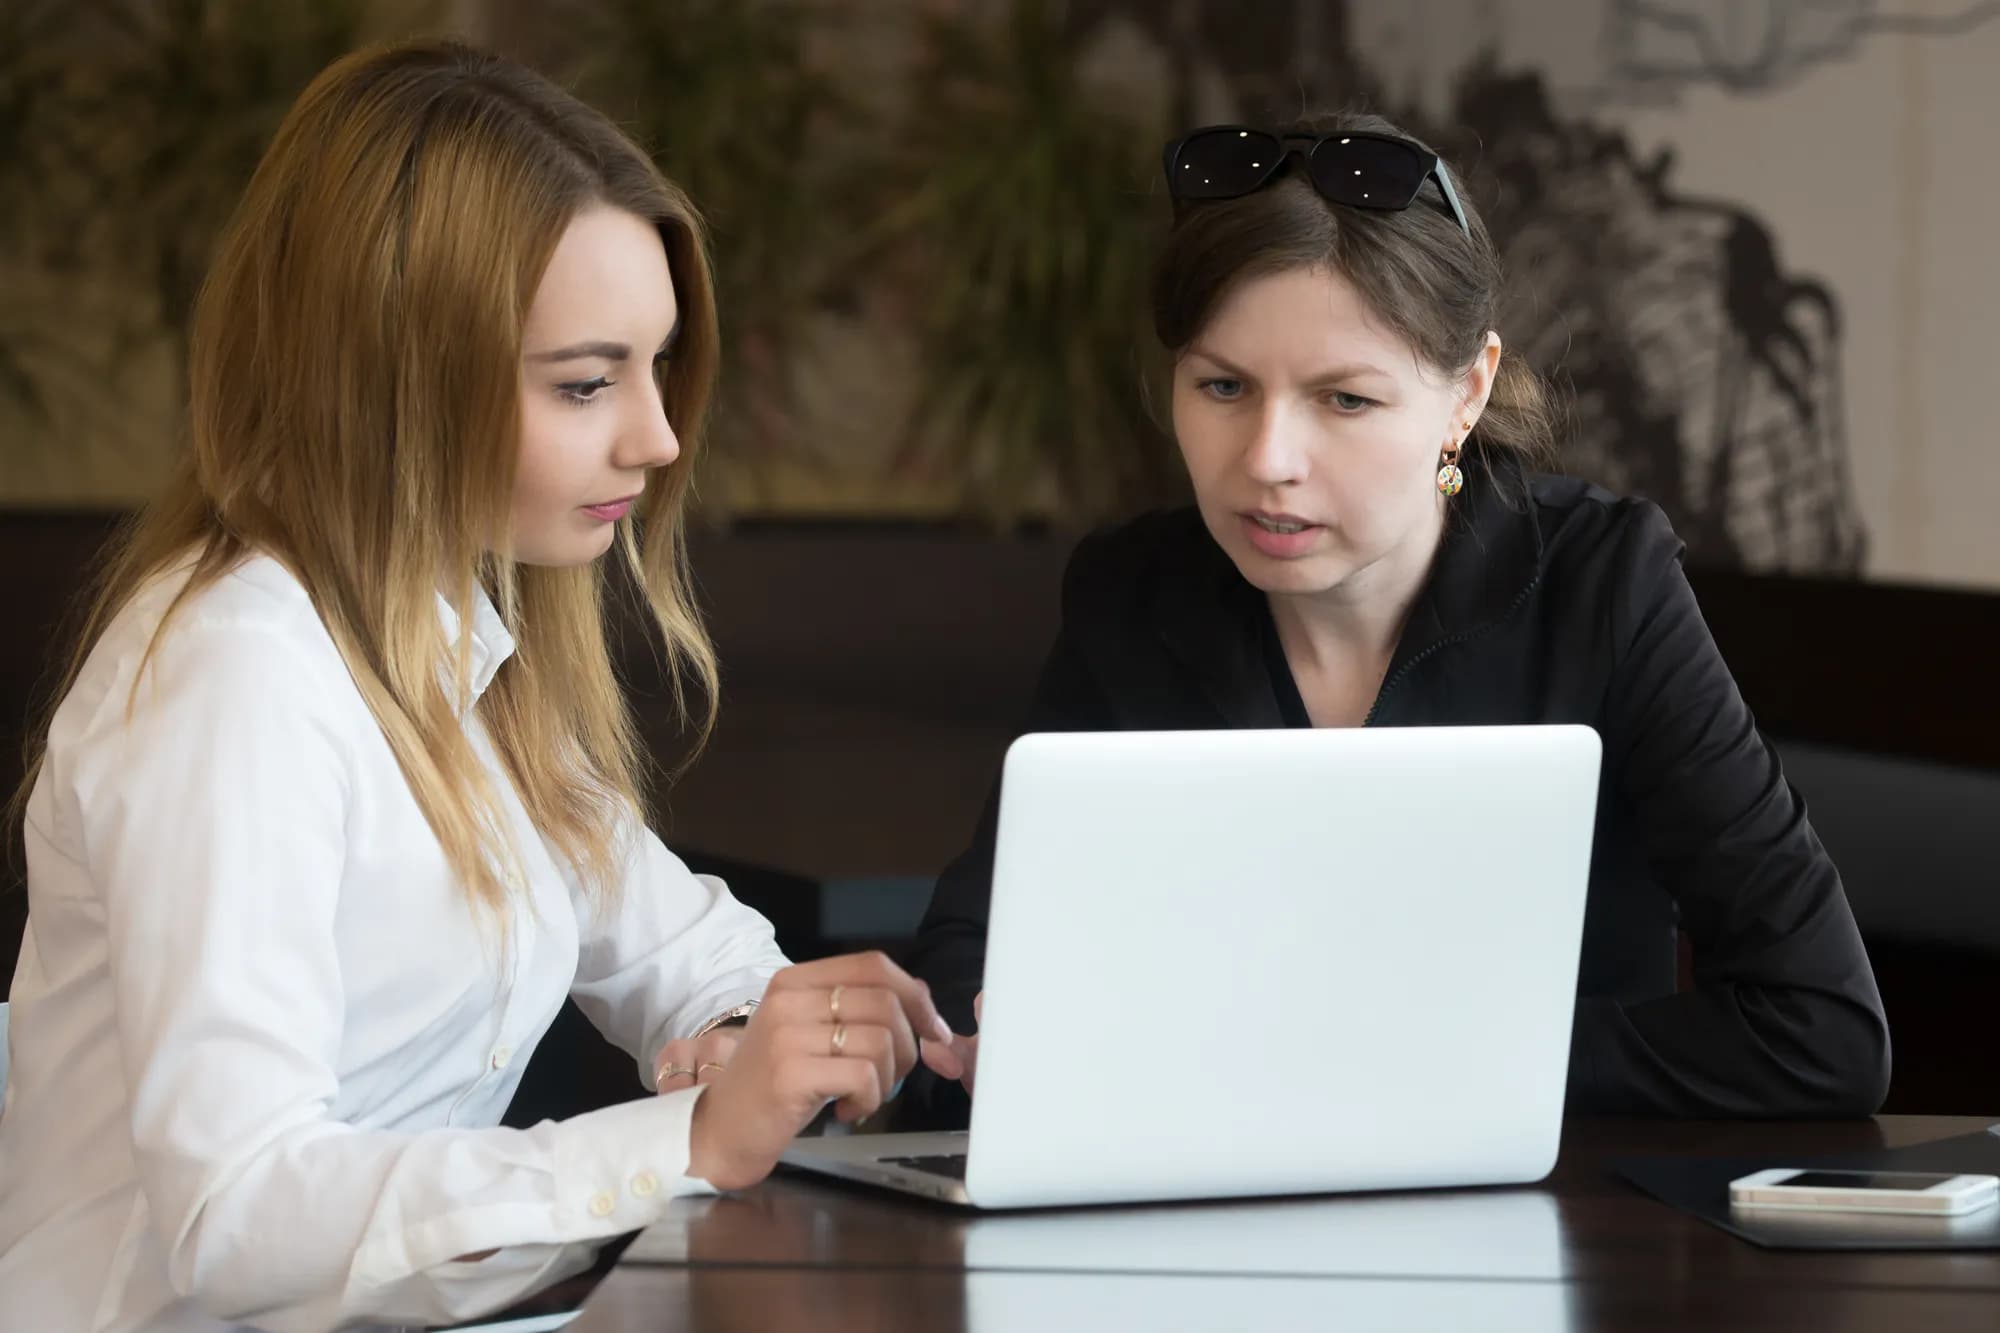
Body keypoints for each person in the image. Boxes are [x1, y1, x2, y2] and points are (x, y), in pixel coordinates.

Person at [0, 40, 962, 1332]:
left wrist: (748, 1024)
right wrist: (678, 1141)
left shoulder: (460, 642)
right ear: (397, 376)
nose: (658, 436)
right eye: (584, 382)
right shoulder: (236, 682)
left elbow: (679, 938)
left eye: (658, 364)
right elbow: (235, 1213)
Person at [906, 113, 1888, 1124]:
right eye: (1221, 386)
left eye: (1343, 401)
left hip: (1549, 1235)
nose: (1266, 458)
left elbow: (1817, 1031)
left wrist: (1354, 1058)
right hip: (1205, 1212)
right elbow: (964, 982)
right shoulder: (1135, 592)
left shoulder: (1602, 584)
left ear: (1464, 394)